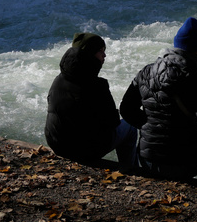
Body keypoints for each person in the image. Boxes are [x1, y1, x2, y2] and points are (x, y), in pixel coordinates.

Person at [120, 17, 197, 181]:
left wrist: (149, 125)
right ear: (193, 50)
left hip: (147, 160)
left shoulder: (146, 72)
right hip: (182, 165)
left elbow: (126, 110)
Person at [44, 32, 137, 167]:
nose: (104, 55)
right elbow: (113, 122)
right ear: (90, 53)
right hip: (84, 151)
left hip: (58, 145)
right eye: (101, 51)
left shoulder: (59, 79)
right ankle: (131, 169)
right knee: (130, 127)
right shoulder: (96, 85)